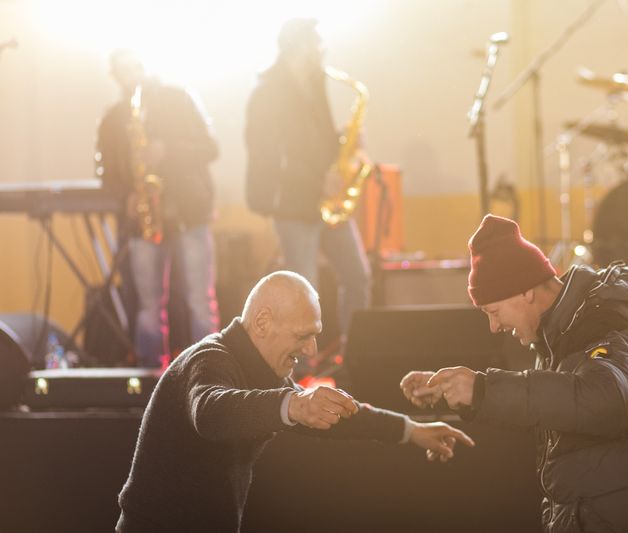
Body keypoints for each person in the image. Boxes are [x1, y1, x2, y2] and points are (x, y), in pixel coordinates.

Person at [401, 215, 628, 533]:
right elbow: (561, 404)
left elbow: (610, 400)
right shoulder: (565, 330)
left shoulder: (603, 321)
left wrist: (483, 390)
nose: (494, 327)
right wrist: (456, 390)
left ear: (524, 291)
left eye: (494, 312)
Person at [116, 271, 473, 532]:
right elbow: (211, 412)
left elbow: (337, 417)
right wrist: (294, 404)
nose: (311, 350)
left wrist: (411, 431)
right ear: (262, 322)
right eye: (304, 336)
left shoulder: (257, 369)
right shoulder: (210, 360)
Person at [245, 18, 370, 347]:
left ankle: (353, 354)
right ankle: (300, 371)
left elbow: (319, 142)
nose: (322, 50)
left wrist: (344, 142)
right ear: (299, 47)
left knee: (358, 276)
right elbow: (268, 155)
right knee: (304, 291)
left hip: (327, 202)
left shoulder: (316, 84)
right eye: (317, 44)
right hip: (293, 203)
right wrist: (318, 181)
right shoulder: (266, 93)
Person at [96, 49, 220, 367]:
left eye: (133, 66)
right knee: (148, 305)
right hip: (144, 221)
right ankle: (151, 376)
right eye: (121, 70)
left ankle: (209, 371)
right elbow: (107, 174)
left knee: (200, 303)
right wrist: (125, 196)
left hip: (189, 214)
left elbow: (211, 147)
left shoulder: (179, 100)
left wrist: (167, 150)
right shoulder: (113, 119)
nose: (129, 75)